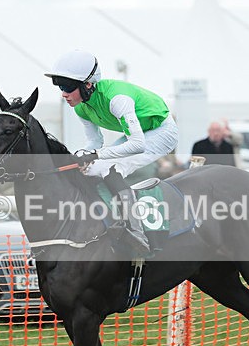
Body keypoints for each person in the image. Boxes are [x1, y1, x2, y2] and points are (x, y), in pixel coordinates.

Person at [44, 49, 178, 256]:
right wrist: (81, 155)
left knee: (111, 167)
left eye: (68, 87)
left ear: (88, 84)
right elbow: (95, 141)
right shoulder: (81, 107)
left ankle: (136, 231)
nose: (63, 93)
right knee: (91, 170)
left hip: (162, 131)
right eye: (59, 86)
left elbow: (137, 145)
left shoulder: (117, 99)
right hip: (141, 133)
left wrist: (95, 154)